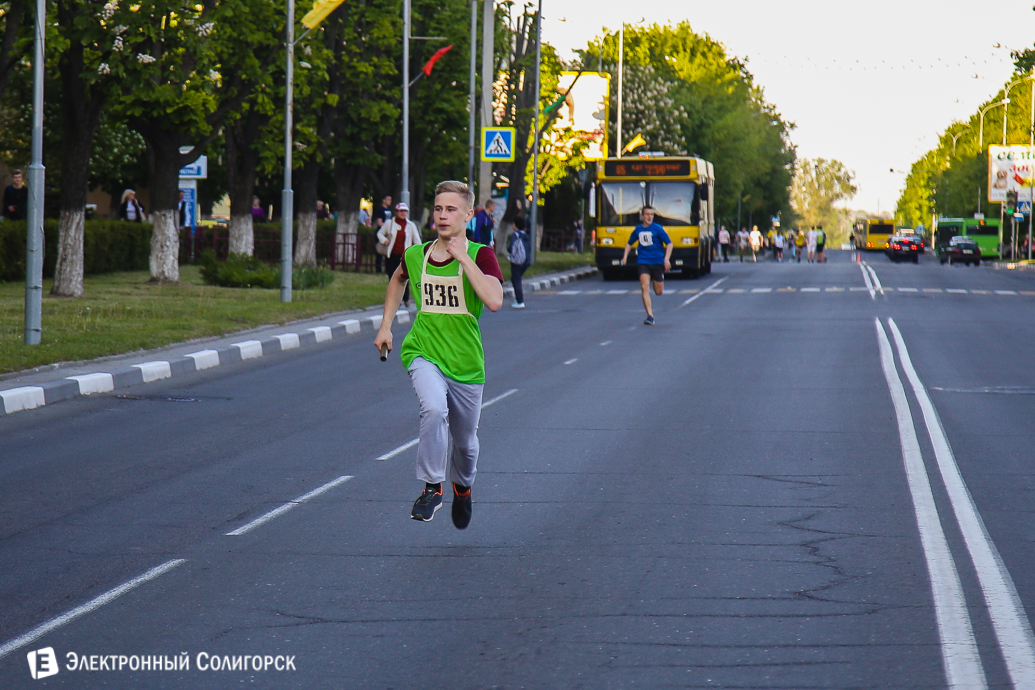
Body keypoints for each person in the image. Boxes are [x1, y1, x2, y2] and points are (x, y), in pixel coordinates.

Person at [374, 180, 504, 528]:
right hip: (423, 351)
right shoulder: (416, 255)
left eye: (451, 210)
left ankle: (463, 488)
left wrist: (463, 257)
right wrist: (386, 325)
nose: (443, 215)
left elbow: (493, 301)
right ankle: (433, 486)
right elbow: (397, 279)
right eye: (438, 209)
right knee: (432, 408)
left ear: (468, 215)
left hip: (465, 364)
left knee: (466, 446)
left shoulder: (481, 255)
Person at [620, 205, 672, 326]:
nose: (649, 217)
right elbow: (629, 244)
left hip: (657, 262)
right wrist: (625, 257)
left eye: (651, 215)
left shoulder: (658, 229)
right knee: (644, 287)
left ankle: (657, 281)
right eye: (647, 214)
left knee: (659, 291)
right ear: (642, 216)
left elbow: (669, 244)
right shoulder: (638, 229)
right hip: (643, 262)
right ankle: (650, 316)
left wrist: (667, 259)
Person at [377, 202, 422, 307]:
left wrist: (415, 252)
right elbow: (379, 234)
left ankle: (406, 298)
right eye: (401, 211)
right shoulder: (390, 223)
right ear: (396, 212)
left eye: (405, 211)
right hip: (392, 255)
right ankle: (393, 300)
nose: (403, 213)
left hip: (405, 256)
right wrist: (384, 241)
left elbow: (417, 241)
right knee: (392, 277)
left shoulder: (410, 225)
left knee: (404, 277)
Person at [507, 214, 532, 308]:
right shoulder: (526, 235)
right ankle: (518, 299)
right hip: (525, 261)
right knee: (516, 279)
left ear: (516, 225)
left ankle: (520, 301)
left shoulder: (515, 235)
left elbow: (511, 248)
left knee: (516, 280)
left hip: (516, 261)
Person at [374, 195, 393, 274]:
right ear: (383, 200)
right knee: (380, 251)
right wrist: (386, 227)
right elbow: (379, 222)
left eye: (390, 200)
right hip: (382, 232)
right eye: (388, 199)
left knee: (388, 252)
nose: (390, 201)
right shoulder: (380, 210)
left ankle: (388, 269)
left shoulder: (389, 210)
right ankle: (378, 269)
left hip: (388, 233)